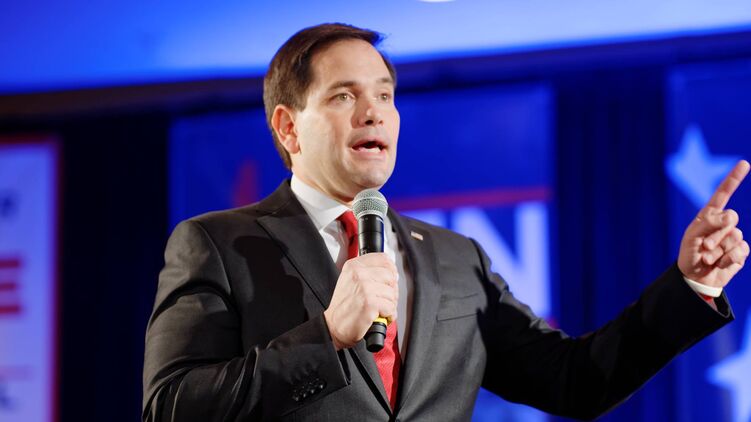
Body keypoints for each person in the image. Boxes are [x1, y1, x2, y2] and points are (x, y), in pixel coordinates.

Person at [142, 23, 750, 421]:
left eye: (384, 95)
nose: (373, 113)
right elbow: (171, 406)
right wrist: (325, 338)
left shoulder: (456, 258)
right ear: (287, 127)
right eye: (344, 96)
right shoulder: (220, 243)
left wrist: (691, 285)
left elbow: (576, 380)